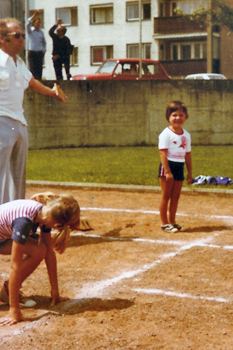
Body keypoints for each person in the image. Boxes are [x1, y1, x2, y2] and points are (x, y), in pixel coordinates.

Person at [0, 17, 66, 205]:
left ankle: (16, 220)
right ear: (2, 39)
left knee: (18, 176)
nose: (22, 39)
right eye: (17, 35)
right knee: (1, 176)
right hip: (2, 120)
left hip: (19, 123)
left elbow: (32, 82)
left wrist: (53, 93)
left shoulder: (18, 62)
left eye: (22, 35)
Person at [0, 193, 80, 326]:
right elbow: (15, 266)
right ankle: (11, 299)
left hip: (2, 238)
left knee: (40, 250)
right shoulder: (24, 222)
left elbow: (49, 252)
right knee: (37, 250)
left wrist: (55, 291)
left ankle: (8, 291)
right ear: (57, 223)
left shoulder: (45, 215)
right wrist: (14, 309)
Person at [158, 101, 192, 233]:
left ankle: (172, 221)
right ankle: (164, 223)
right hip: (168, 166)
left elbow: (188, 155)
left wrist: (189, 173)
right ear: (168, 117)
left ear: (185, 117)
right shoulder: (165, 133)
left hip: (179, 166)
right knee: (166, 195)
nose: (178, 118)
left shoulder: (187, 135)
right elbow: (162, 153)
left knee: (176, 196)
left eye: (181, 115)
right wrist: (167, 172)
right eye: (174, 115)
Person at [26, 10, 46, 79]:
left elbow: (44, 42)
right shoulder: (30, 31)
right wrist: (34, 15)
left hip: (39, 53)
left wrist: (44, 50)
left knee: (39, 70)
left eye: (39, 23)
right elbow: (27, 23)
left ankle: (39, 83)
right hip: (32, 53)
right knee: (32, 70)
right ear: (34, 23)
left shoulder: (41, 32)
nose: (38, 24)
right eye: (37, 23)